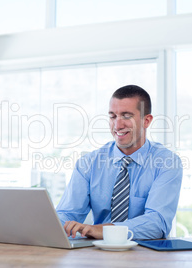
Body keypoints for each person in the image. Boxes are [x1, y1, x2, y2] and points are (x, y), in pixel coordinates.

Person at [56, 85, 183, 240]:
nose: (117, 125)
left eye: (126, 116)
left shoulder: (167, 163)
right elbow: (67, 214)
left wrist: (103, 230)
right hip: (97, 253)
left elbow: (157, 223)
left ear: (147, 120)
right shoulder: (88, 163)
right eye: (113, 116)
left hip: (146, 254)